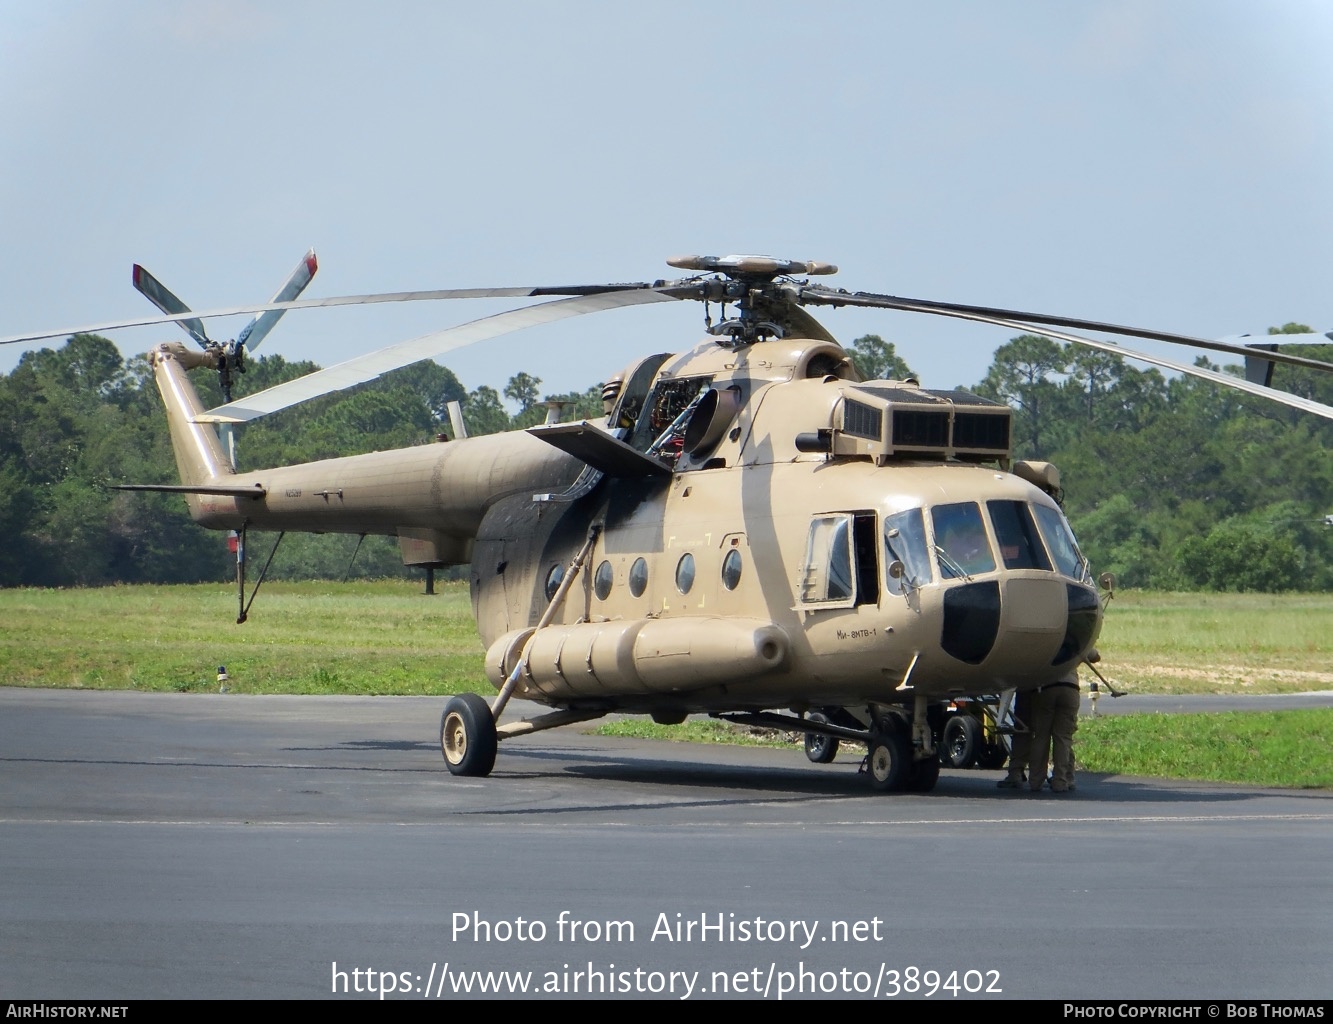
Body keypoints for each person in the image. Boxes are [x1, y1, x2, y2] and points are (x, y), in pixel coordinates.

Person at [1028, 672, 1080, 793]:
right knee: (1063, 738)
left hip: (1047, 687)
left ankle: (1035, 781)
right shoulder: (1073, 651)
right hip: (1070, 688)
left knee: (1041, 737)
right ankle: (1060, 781)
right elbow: (1093, 656)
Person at [996, 688, 1032, 789]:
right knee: (1060, 736)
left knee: (1022, 730)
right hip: (1050, 688)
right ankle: (1064, 777)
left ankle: (1016, 773)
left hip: (1027, 688)